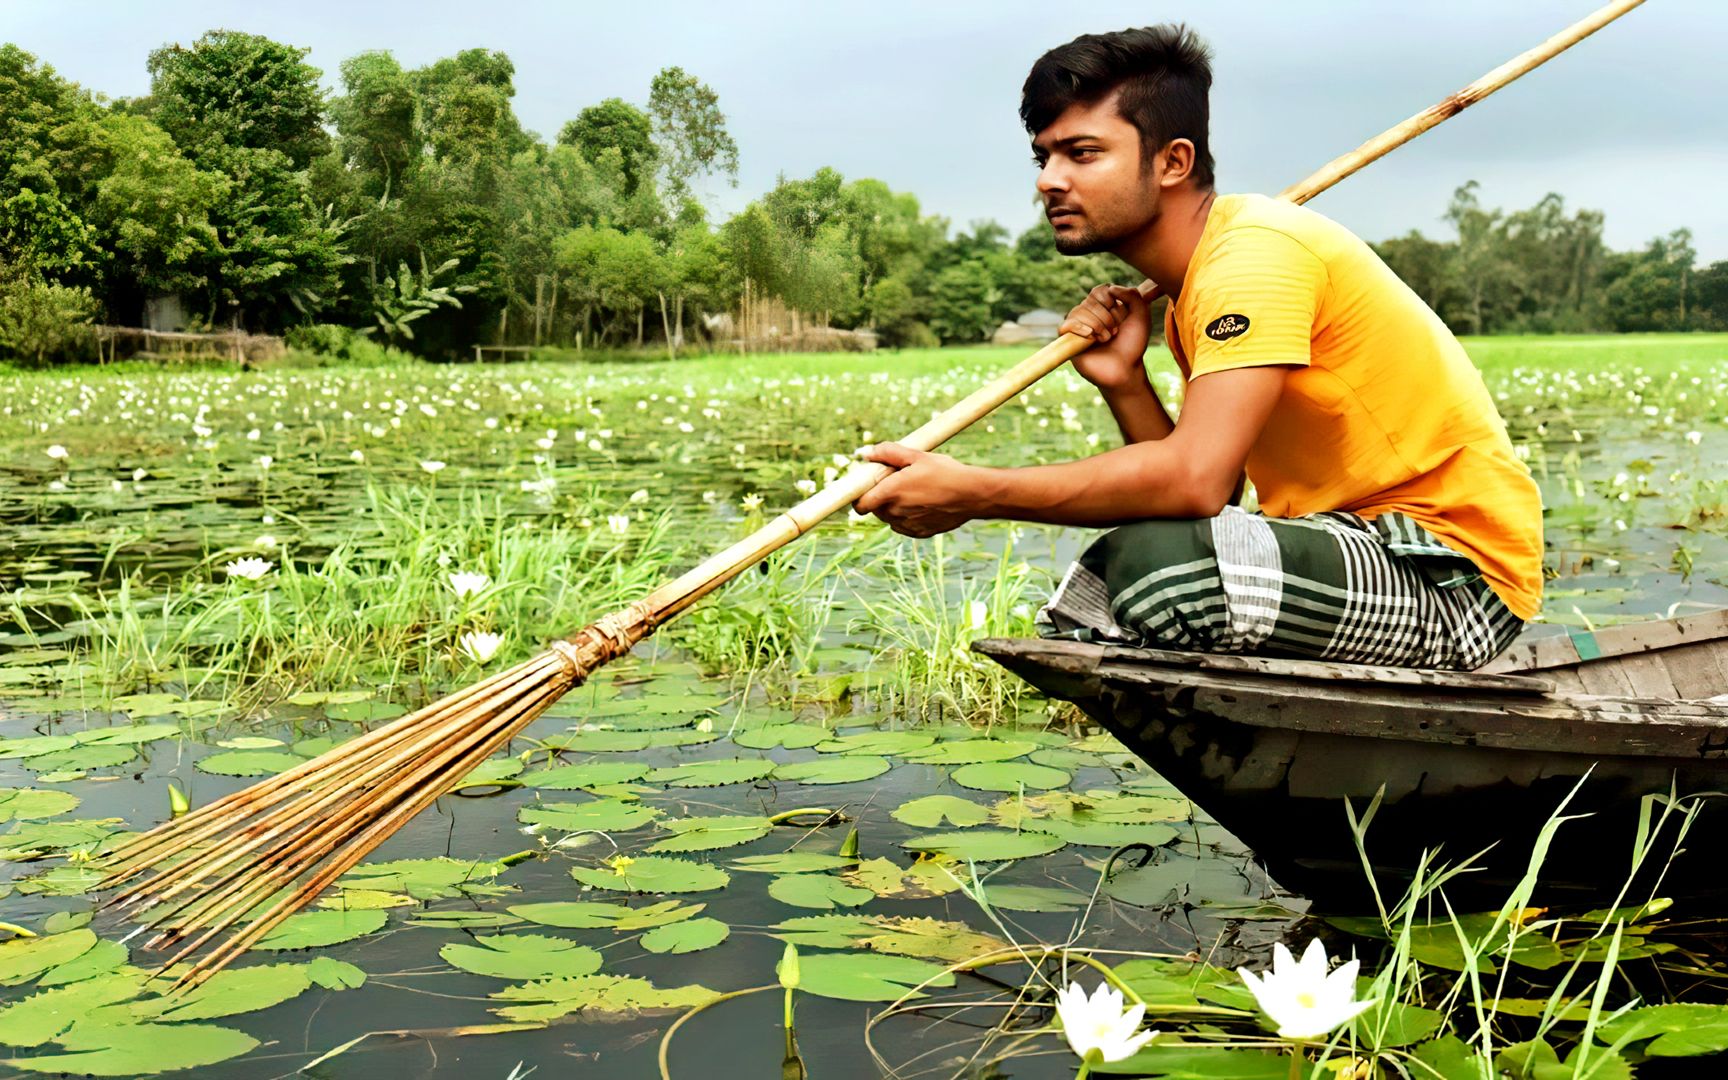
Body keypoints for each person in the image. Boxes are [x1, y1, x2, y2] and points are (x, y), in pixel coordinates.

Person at [851, 24, 1542, 671]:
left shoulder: (1254, 256)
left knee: (1159, 570)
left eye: (1082, 153)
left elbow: (1194, 482)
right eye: (1044, 156)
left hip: (1448, 576)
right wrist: (1124, 382)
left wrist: (977, 491)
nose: (1048, 181)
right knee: (1142, 570)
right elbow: (1210, 500)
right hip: (1348, 550)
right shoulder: (1195, 289)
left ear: (1174, 161)